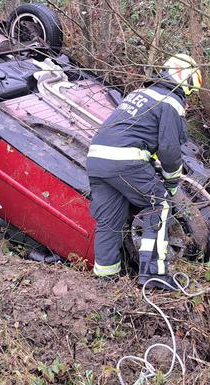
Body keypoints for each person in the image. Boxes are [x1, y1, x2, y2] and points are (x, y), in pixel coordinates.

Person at [86, 54, 202, 289]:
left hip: (97, 159)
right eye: (191, 90)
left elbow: (138, 135)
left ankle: (105, 281)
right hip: (124, 161)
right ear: (186, 82)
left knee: (109, 222)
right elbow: (169, 150)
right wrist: (171, 182)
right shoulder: (170, 102)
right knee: (160, 203)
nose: (189, 97)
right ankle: (154, 274)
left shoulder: (139, 94)